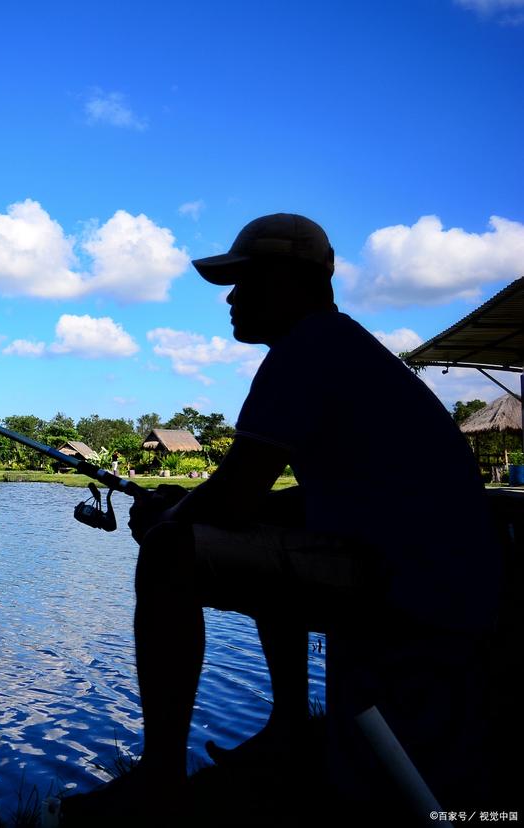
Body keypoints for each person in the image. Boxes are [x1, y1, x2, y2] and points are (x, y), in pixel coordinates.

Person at [78, 214, 501, 818]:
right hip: (444, 579)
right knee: (242, 530)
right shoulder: (342, 347)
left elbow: (230, 499)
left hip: (412, 585)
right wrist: (190, 504)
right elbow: (303, 500)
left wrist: (170, 517)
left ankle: (161, 779)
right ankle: (287, 726)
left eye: (243, 281)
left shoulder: (307, 350)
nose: (230, 298)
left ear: (286, 280)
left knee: (169, 550)